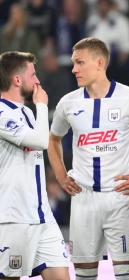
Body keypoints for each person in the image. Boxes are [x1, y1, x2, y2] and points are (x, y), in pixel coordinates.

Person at [48, 37, 129, 280]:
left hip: (119, 195)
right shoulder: (68, 103)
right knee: (84, 274)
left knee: (126, 274)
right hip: (83, 197)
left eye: (80, 62)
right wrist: (60, 174)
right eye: (73, 63)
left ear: (100, 63)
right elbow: (53, 139)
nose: (73, 69)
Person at [0, 51, 69, 279]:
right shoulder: (1, 113)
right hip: (13, 218)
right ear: (17, 80)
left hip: (42, 217)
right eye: (33, 74)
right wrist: (42, 106)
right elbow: (41, 143)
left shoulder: (27, 113)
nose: (38, 81)